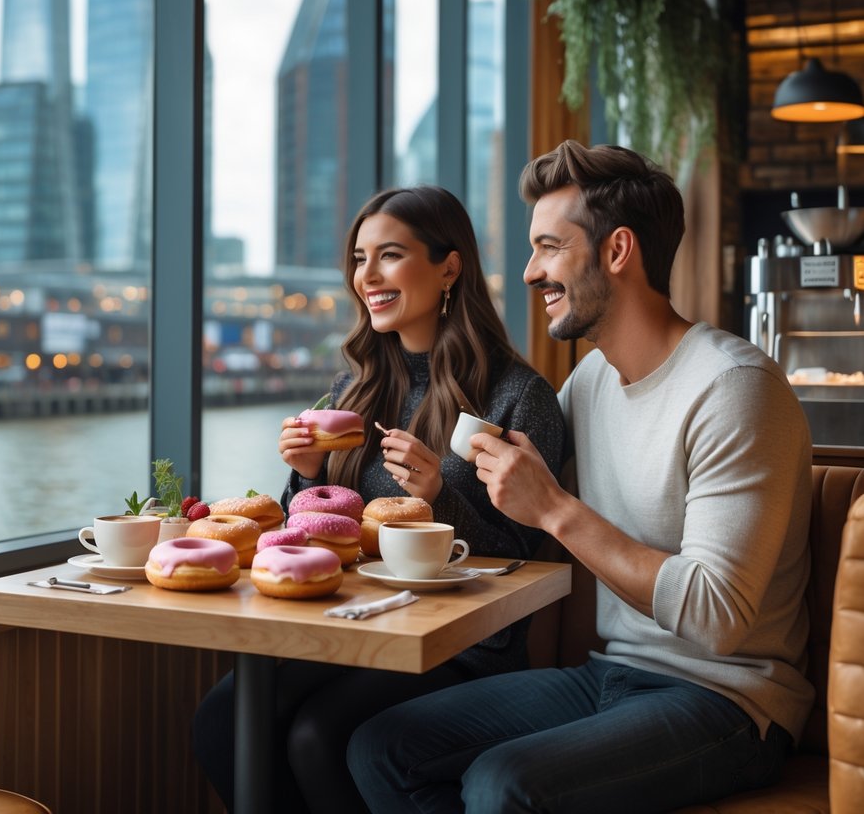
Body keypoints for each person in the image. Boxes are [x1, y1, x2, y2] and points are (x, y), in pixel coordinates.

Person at [348, 141, 814, 813]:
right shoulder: (590, 381)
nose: (531, 272)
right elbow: (503, 518)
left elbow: (717, 619)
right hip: (610, 675)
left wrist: (556, 509)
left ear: (617, 251)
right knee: (381, 746)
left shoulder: (732, 387)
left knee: (501, 783)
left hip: (729, 699)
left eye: (548, 247)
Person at [192, 185, 566, 813]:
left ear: (450, 266)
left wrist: (438, 496)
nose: (367, 276)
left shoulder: (519, 397)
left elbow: (525, 563)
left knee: (317, 737)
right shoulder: (352, 388)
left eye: (389, 255)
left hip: (463, 648)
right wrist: (308, 475)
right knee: (223, 719)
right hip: (355, 624)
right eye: (360, 259)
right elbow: (315, 533)